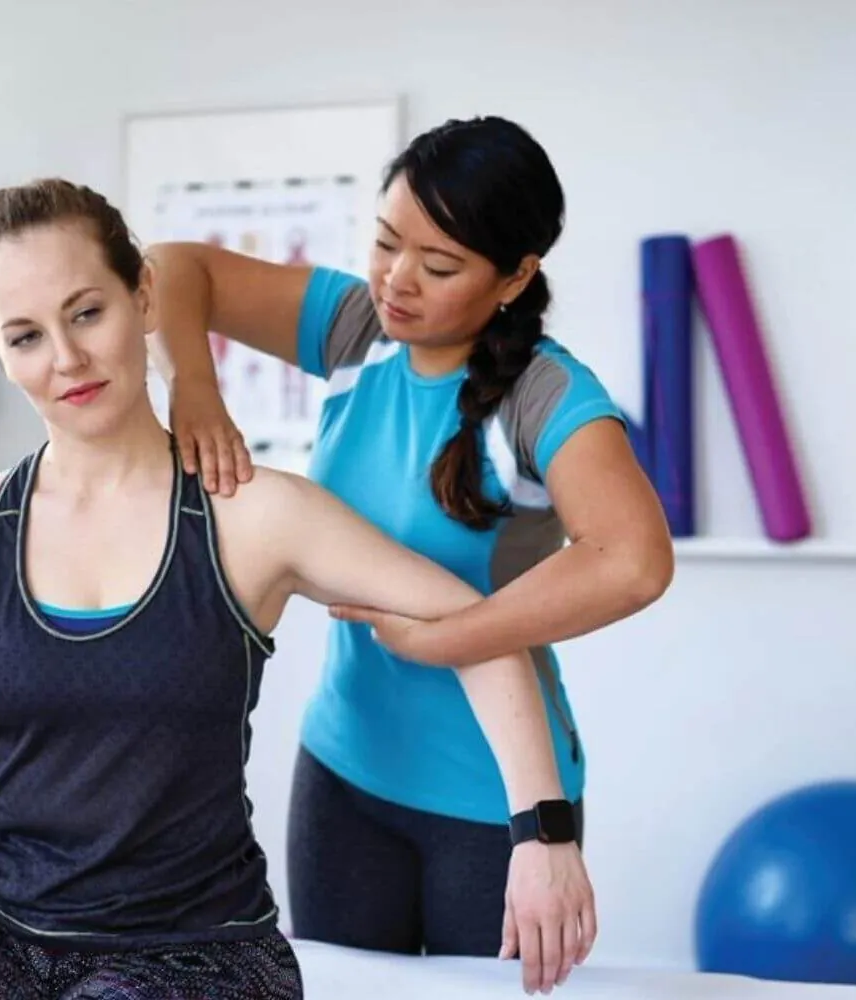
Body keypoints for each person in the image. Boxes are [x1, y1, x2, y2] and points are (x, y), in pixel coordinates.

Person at [0, 177, 597, 1000]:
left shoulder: (251, 515)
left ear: (143, 296)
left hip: (194, 949)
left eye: (87, 312)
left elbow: (478, 626)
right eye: (25, 336)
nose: (66, 359)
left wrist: (541, 833)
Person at [147, 115, 675, 971]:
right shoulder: (356, 328)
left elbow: (635, 560)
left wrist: (446, 639)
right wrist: (194, 390)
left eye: (438, 266)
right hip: (344, 771)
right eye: (387, 242)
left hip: (489, 795)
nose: (396, 281)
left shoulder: (545, 394)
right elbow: (172, 268)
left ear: (515, 276)